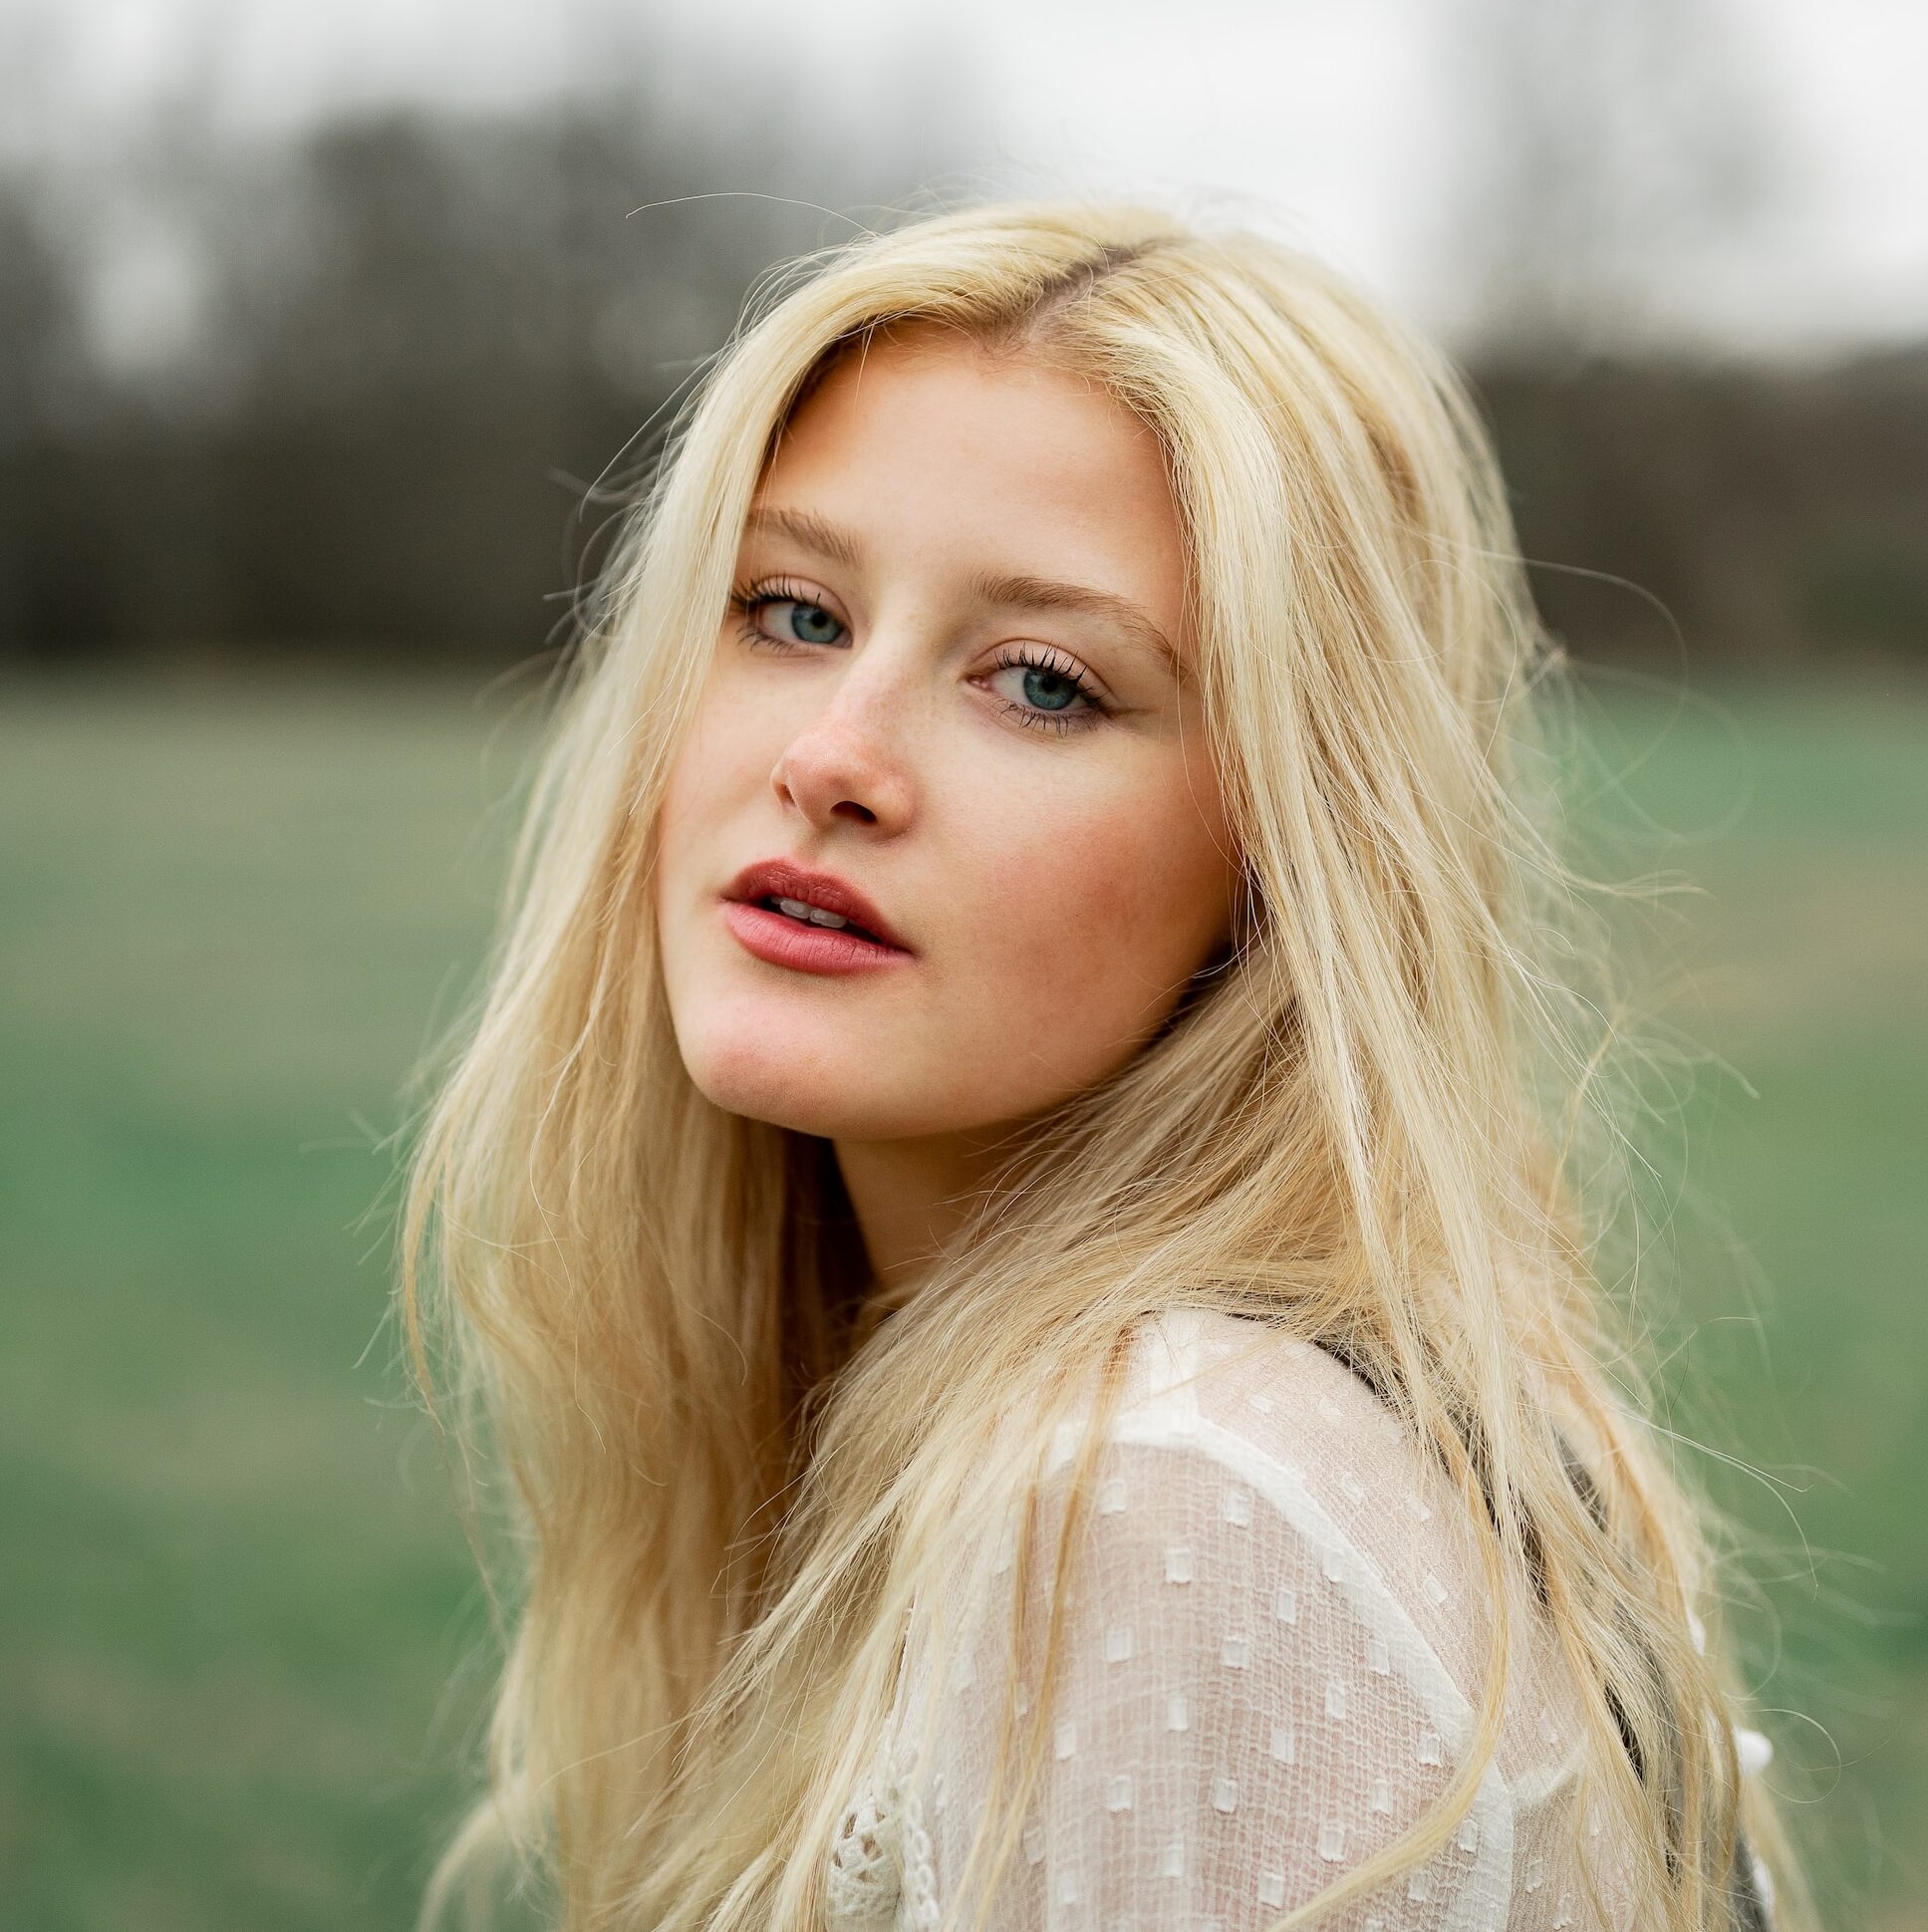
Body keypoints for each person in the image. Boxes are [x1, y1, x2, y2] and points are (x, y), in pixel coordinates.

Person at [398, 196, 1801, 1931]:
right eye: (794, 612)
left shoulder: (1172, 1490)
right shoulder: (1159, 1424)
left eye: (1046, 684)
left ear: (1286, 860)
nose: (833, 758)